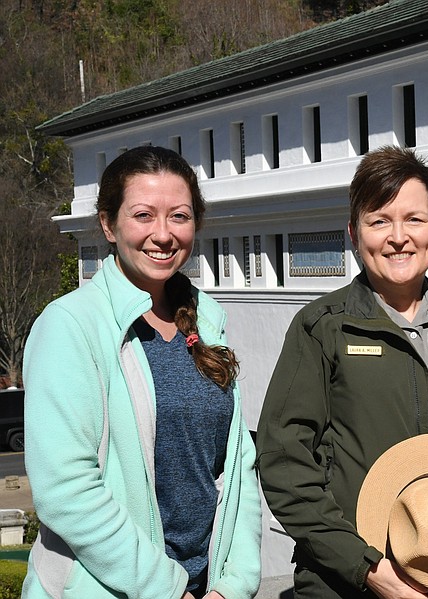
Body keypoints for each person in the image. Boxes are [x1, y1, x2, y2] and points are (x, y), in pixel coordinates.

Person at [257, 145, 428, 599]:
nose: (398, 237)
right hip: (343, 584)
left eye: (414, 219)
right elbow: (285, 462)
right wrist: (365, 567)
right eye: (379, 220)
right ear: (353, 232)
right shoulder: (323, 328)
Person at [22, 146, 262, 599]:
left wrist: (235, 582)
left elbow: (236, 463)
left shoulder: (207, 318)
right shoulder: (72, 325)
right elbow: (67, 491)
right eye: (143, 215)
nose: (163, 234)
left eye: (179, 216)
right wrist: (168, 589)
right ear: (108, 224)